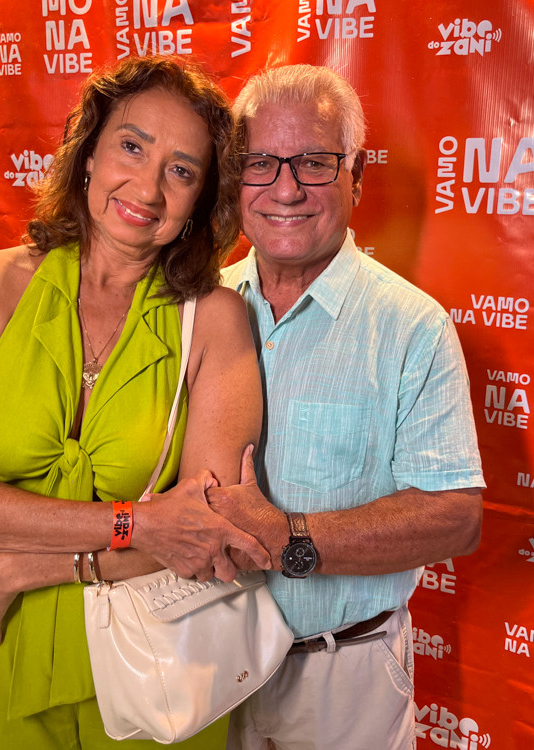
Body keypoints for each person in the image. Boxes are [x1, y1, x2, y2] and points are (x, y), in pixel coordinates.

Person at [0, 57, 268, 749]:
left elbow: (203, 535)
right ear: (89, 153)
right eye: (132, 146)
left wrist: (21, 563)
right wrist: (140, 522)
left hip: (155, 667)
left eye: (181, 170)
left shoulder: (216, 320)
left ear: (201, 200)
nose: (149, 187)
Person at [208, 64, 486, 750]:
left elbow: (455, 517)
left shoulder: (412, 327)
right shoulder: (196, 306)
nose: (286, 189)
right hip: (202, 666)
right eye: (260, 163)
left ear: (356, 177)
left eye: (315, 162)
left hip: (345, 677)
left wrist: (288, 536)